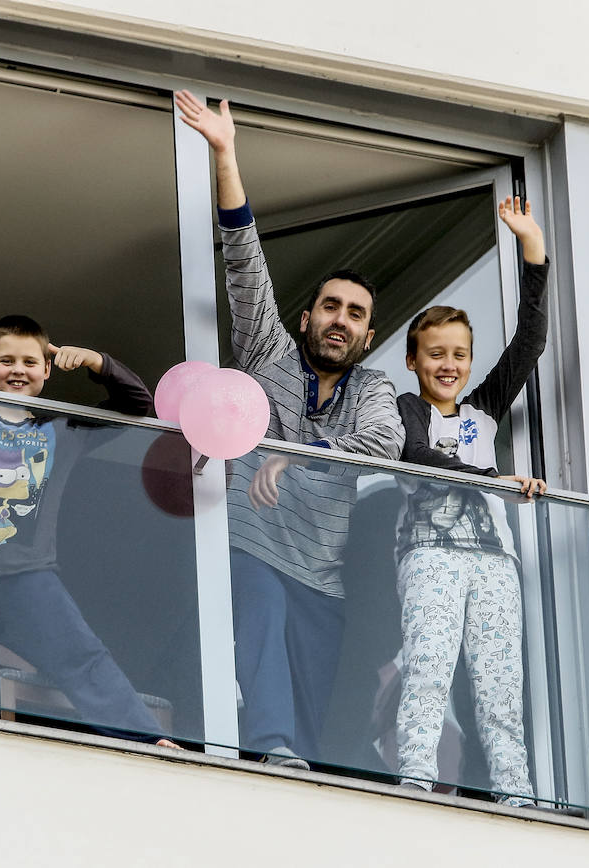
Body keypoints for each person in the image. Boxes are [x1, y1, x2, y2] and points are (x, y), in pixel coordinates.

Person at [175, 90, 404, 770]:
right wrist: (225, 153)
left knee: (312, 718)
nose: (340, 318)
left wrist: (293, 455)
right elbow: (244, 260)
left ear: (368, 334)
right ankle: (267, 741)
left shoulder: (373, 390)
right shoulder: (268, 354)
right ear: (306, 318)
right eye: (329, 306)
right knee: (269, 683)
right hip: (250, 549)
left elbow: (386, 443)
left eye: (355, 313)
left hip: (322, 579)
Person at [0, 315, 179, 749]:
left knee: (81, 655)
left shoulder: (64, 425)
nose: (17, 369)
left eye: (29, 361)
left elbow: (137, 403)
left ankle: (146, 739)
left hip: (28, 571)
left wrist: (99, 363)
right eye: (6, 360)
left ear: (46, 369)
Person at [392, 195, 549, 806]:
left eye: (459, 354)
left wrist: (531, 250)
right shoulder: (404, 409)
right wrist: (494, 481)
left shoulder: (484, 409)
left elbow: (531, 343)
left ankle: (517, 796)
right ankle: (415, 779)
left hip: (492, 560)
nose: (448, 365)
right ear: (413, 360)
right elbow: (411, 456)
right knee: (427, 672)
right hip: (429, 552)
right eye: (435, 354)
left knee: (500, 684)